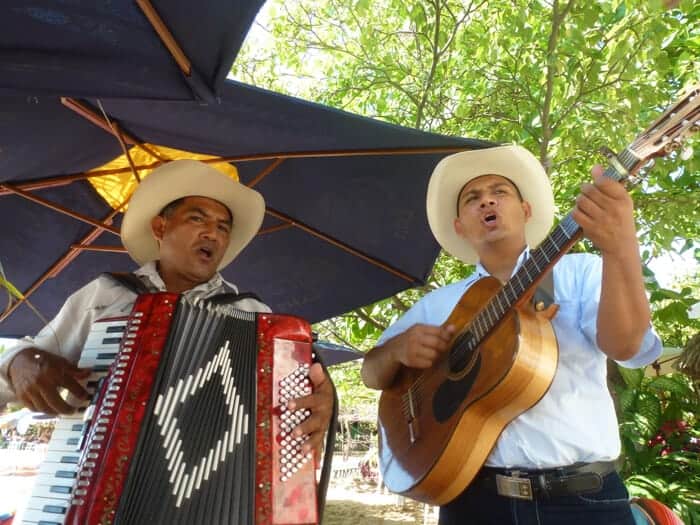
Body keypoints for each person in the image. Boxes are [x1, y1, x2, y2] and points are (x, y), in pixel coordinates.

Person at [361, 145, 662, 525]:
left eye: (500, 192)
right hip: (473, 503)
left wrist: (620, 248)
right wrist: (396, 351)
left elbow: (627, 346)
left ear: (526, 211)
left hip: (583, 502)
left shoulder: (579, 272)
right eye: (472, 198)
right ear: (459, 226)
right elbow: (371, 373)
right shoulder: (438, 305)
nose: (487, 200)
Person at [0, 159, 334, 456]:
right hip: (89, 480)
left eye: (223, 226)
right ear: (160, 228)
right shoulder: (106, 294)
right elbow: (13, 378)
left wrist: (323, 396)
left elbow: (303, 389)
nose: (212, 233)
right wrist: (17, 361)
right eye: (197, 218)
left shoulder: (253, 312)